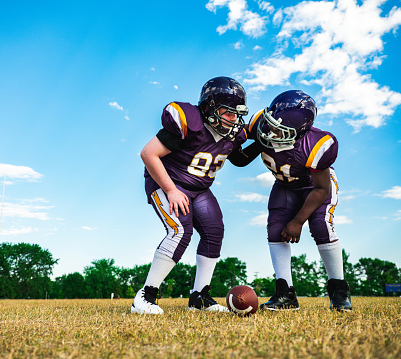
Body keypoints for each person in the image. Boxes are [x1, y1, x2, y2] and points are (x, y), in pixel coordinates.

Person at [131, 76, 250, 314]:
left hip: (199, 189)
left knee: (214, 232)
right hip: (168, 183)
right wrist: (171, 190)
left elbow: (239, 159)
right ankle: (145, 296)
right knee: (180, 231)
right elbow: (148, 154)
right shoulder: (190, 122)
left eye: (237, 114)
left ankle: (199, 297)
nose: (234, 119)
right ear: (210, 107)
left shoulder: (231, 134)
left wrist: (263, 142)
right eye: (228, 112)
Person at [230, 90, 352, 311]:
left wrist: (297, 221)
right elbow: (239, 154)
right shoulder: (262, 123)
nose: (271, 131)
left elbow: (321, 189)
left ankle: (339, 291)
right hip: (285, 184)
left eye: (279, 129)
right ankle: (285, 294)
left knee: (320, 225)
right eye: (270, 123)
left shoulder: (317, 144)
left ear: (299, 132)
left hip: (313, 186)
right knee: (275, 229)